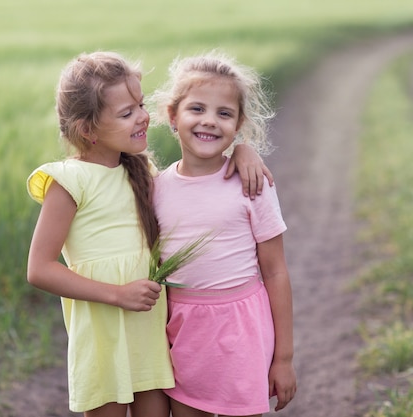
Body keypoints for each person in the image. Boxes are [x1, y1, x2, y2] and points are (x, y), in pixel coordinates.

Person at [26, 51, 272, 417]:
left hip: (151, 330)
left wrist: (244, 150)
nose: (143, 116)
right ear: (87, 130)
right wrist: (117, 294)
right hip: (104, 334)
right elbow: (39, 269)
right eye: (127, 113)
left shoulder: (144, 172)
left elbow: (196, 189)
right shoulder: (68, 181)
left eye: (140, 104)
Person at [150, 51, 297, 417]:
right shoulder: (153, 189)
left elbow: (276, 271)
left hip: (242, 334)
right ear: (172, 116)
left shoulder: (252, 184)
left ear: (239, 125)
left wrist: (284, 358)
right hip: (183, 336)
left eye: (224, 113)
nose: (210, 121)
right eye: (197, 109)